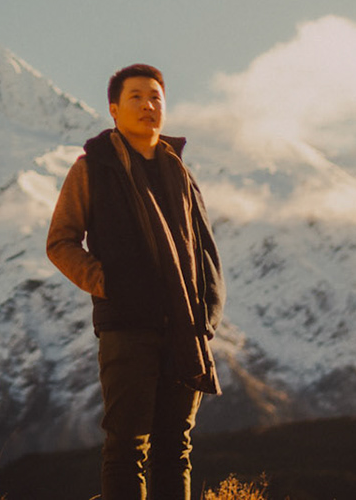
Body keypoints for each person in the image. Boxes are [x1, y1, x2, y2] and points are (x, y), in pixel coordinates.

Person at [46, 64, 224, 500]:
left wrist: (207, 314)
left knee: (175, 448)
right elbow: (60, 241)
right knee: (127, 445)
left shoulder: (179, 172)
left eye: (156, 97)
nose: (148, 105)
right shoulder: (93, 169)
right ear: (114, 109)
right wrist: (109, 284)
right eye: (136, 97)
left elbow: (205, 251)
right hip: (126, 327)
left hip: (184, 328)